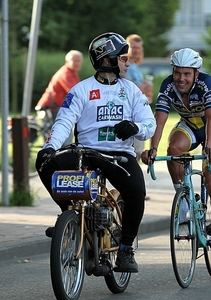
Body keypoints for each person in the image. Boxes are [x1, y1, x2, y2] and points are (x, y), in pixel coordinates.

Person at [35, 32, 156, 273]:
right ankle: (70, 218)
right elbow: (64, 121)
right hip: (86, 153)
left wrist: (136, 127)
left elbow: (149, 124)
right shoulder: (80, 90)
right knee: (44, 163)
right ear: (109, 60)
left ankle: (125, 249)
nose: (128, 63)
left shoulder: (131, 91)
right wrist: (50, 147)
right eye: (123, 58)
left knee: (136, 192)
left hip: (119, 155)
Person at [141, 48, 211, 266]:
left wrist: (210, 148)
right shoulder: (168, 85)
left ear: (196, 74)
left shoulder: (207, 83)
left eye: (187, 74)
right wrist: (153, 149)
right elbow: (160, 120)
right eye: (178, 73)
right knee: (173, 149)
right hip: (189, 126)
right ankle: (182, 197)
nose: (181, 78)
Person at [35, 50, 83, 145]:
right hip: (50, 108)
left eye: (79, 61)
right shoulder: (66, 73)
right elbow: (75, 92)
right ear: (67, 62)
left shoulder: (73, 73)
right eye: (74, 60)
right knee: (64, 134)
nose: (77, 63)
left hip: (56, 108)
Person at [126, 34, 153, 161]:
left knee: (138, 149)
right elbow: (131, 89)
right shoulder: (125, 66)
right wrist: (145, 86)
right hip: (129, 112)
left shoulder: (136, 67)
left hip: (139, 112)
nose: (136, 50)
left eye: (139, 48)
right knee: (133, 151)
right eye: (133, 47)